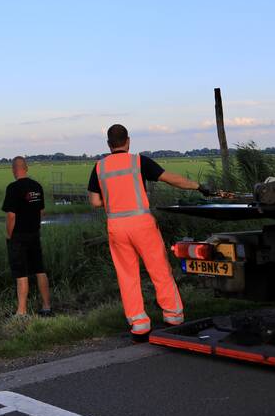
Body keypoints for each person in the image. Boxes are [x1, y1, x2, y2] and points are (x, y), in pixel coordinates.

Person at [89, 124, 223, 342]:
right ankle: (173, 318)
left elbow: (95, 201)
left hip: (116, 227)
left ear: (108, 144)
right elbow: (171, 179)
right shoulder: (138, 162)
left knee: (127, 276)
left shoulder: (99, 167)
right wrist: (198, 186)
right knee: (159, 269)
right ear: (128, 141)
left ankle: (139, 326)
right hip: (142, 224)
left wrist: (113, 197)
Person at [1, 156, 52, 317]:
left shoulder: (13, 188)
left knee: (21, 272)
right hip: (34, 234)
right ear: (26, 168)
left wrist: (9, 235)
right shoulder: (37, 186)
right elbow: (41, 212)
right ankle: (46, 306)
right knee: (39, 269)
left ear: (13, 169)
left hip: (19, 236)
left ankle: (21, 312)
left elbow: (11, 216)